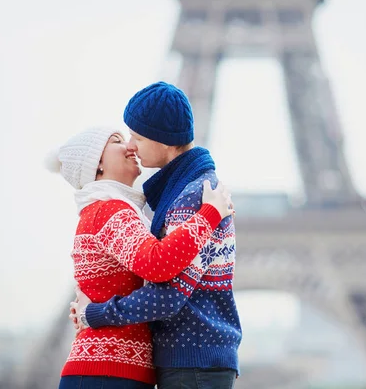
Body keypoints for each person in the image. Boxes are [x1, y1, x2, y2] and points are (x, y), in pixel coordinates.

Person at [70, 82, 242, 389]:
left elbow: (168, 295)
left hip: (192, 360)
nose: (131, 145)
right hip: (193, 358)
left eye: (137, 136)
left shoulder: (193, 197)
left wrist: (94, 313)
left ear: (164, 140)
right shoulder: (181, 195)